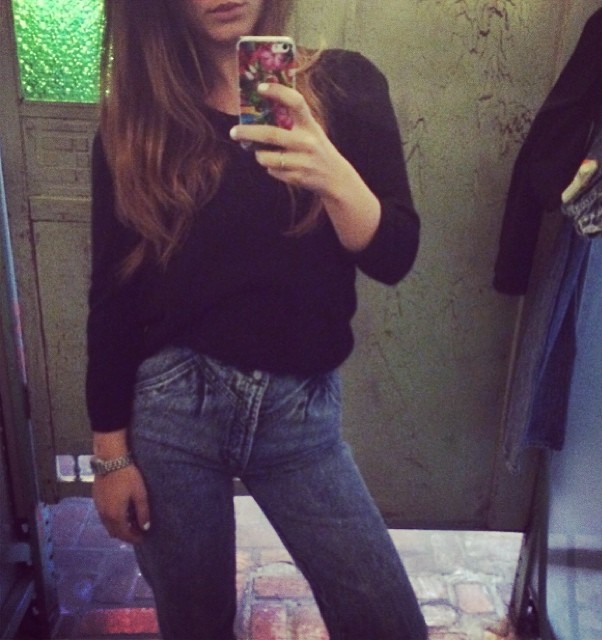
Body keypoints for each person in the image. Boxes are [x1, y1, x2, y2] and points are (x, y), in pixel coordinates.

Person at [87, 1, 427, 638]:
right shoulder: (139, 124)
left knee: (387, 623)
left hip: (300, 416)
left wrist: (332, 174)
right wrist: (109, 456)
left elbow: (394, 256)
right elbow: (113, 297)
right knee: (197, 626)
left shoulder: (345, 86)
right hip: (172, 410)